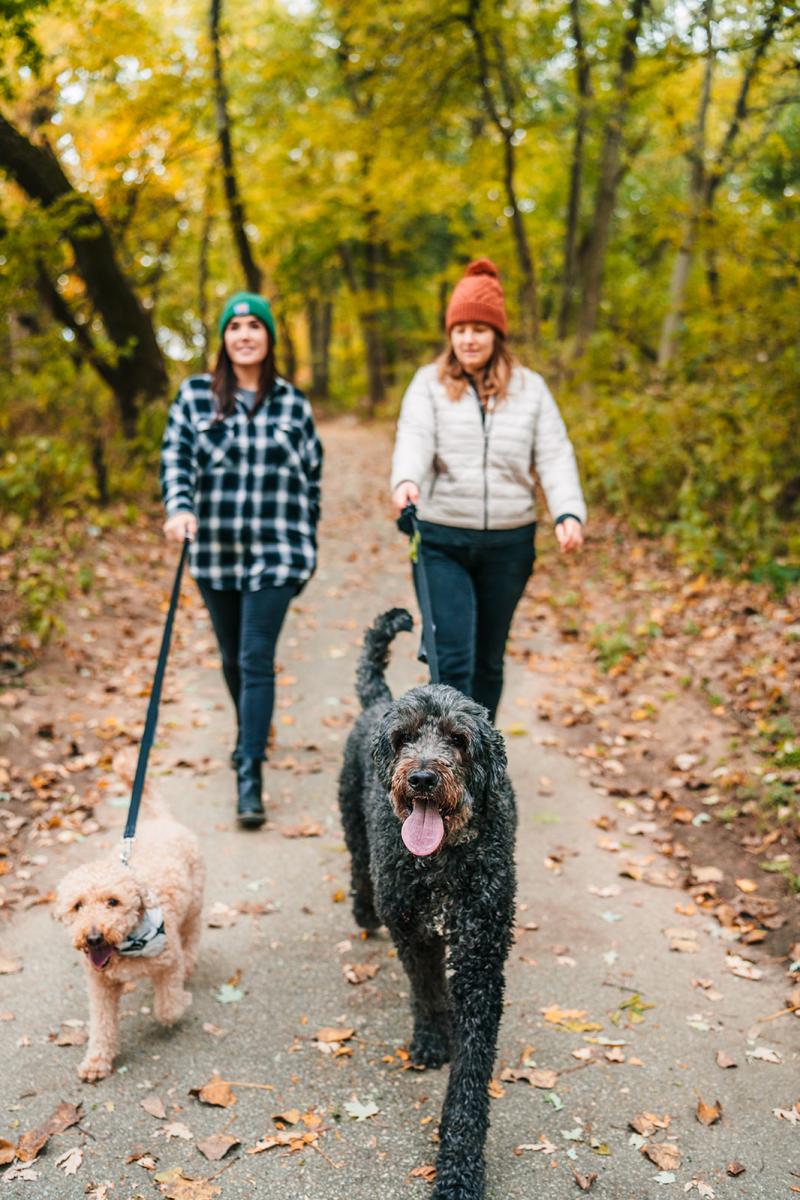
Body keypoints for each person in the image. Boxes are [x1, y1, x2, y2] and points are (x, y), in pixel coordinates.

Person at [390, 258, 585, 723]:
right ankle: (443, 770)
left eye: (479, 328)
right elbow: (414, 436)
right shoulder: (429, 384)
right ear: (450, 333)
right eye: (460, 328)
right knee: (451, 660)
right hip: (441, 539)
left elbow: (554, 454)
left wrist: (568, 512)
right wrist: (405, 479)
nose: (469, 339)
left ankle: (477, 763)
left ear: (497, 333)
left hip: (508, 543)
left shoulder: (530, 390)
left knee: (487, 662)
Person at [160, 292, 322, 828]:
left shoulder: (292, 404)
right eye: (236, 326)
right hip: (216, 553)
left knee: (255, 657)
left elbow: (312, 478)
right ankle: (248, 731)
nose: (245, 334)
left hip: (278, 552)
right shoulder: (195, 397)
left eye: (256, 325)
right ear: (224, 338)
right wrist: (179, 509)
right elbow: (176, 460)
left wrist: (306, 538)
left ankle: (249, 771)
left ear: (269, 337)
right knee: (232, 657)